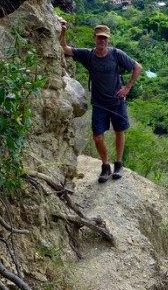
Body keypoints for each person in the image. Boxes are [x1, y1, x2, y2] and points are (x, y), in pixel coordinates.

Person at [59, 17, 142, 183]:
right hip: (99, 103)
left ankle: (118, 163)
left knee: (119, 131)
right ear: (94, 38)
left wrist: (127, 88)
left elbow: (137, 67)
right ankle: (105, 166)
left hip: (117, 101)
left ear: (108, 39)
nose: (102, 40)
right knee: (97, 137)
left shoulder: (116, 54)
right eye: (99, 37)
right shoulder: (88, 55)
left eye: (105, 37)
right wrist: (63, 31)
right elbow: (65, 48)